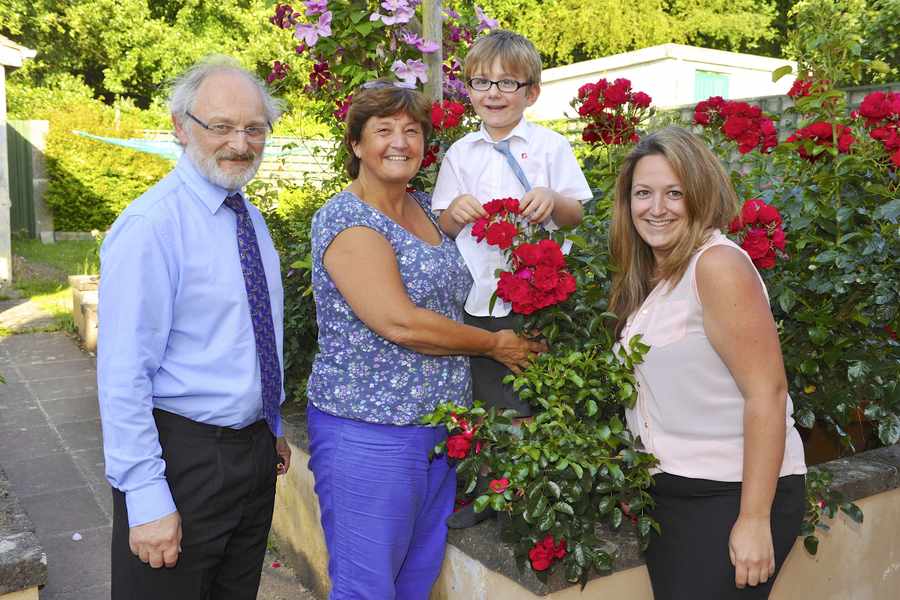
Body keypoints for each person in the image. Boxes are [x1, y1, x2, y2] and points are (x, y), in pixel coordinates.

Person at [306, 80, 544, 600]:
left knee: (414, 580)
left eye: (411, 131)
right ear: (357, 145)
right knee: (367, 586)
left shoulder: (424, 209)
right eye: (383, 130)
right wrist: (493, 345)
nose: (399, 141)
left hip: (437, 430)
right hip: (370, 433)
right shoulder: (348, 219)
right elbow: (400, 322)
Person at [97, 55, 292, 600]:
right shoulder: (151, 226)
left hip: (251, 455)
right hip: (182, 459)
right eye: (221, 126)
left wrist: (269, 424)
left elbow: (247, 335)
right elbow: (123, 375)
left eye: (255, 128)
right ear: (181, 128)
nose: (241, 142)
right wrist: (145, 496)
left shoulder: (245, 216)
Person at [609, 126, 807, 599]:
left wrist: (754, 519)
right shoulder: (654, 275)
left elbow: (768, 393)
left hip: (730, 493)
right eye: (643, 193)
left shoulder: (716, 266)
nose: (656, 208)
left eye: (674, 193)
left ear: (700, 194)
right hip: (671, 495)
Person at [431, 29, 593, 528]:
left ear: (531, 92)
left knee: (527, 394)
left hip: (536, 295)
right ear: (469, 91)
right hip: (478, 293)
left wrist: (553, 200)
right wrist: (456, 211)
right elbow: (442, 221)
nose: (494, 93)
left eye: (508, 83)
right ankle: (482, 492)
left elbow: (576, 216)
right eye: (482, 82)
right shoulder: (461, 153)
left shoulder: (550, 147)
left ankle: (523, 496)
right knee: (481, 397)